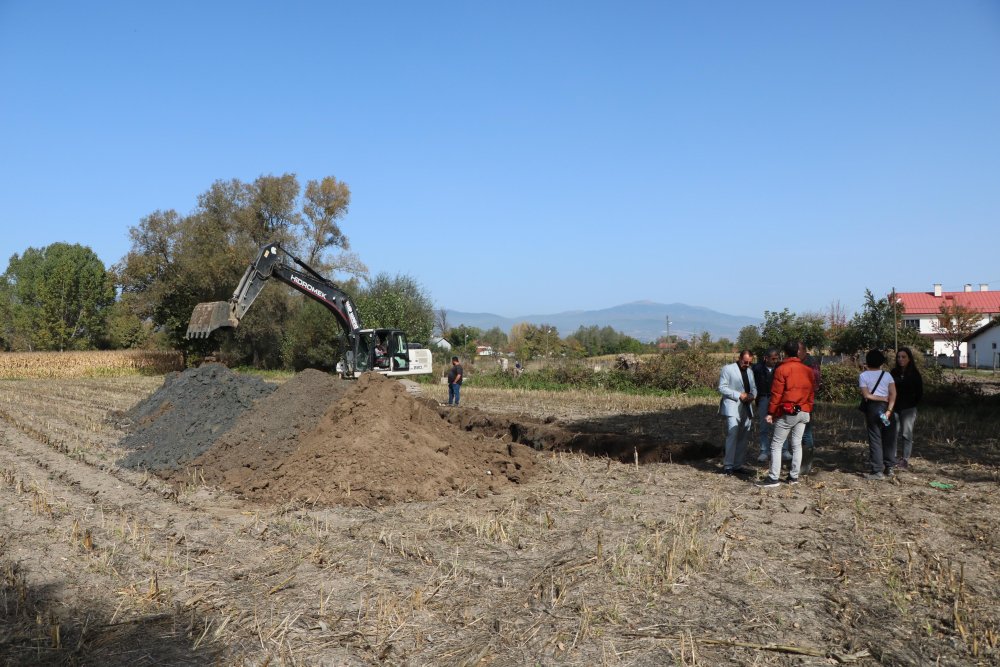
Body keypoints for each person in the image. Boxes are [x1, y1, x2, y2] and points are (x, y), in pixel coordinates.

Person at [756, 340, 816, 488]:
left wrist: (771, 412)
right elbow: (811, 393)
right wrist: (807, 408)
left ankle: (773, 478)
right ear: (798, 351)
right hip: (804, 410)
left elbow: (776, 394)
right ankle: (794, 477)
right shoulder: (807, 370)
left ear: (784, 352)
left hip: (790, 410)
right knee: (796, 444)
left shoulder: (782, 369)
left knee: (776, 444)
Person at [859, 349, 897, 480]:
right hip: (886, 411)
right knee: (889, 438)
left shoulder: (863, 376)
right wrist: (889, 410)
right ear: (882, 362)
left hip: (873, 410)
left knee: (875, 439)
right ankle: (890, 467)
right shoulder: (887, 376)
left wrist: (879, 398)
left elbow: (866, 395)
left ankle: (877, 471)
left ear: (867, 361)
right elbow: (893, 394)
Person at [717, 350, 757, 475]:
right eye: (745, 362)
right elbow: (722, 387)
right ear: (739, 358)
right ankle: (728, 466)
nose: (748, 364)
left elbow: (754, 387)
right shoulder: (727, 369)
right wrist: (739, 395)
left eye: (750, 362)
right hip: (732, 406)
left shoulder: (750, 372)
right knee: (732, 434)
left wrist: (752, 395)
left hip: (746, 406)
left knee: (744, 437)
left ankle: (738, 465)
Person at [890, 347, 923, 469]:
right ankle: (891, 458)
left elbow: (920, 392)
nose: (900, 359)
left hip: (908, 409)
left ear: (909, 358)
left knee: (906, 434)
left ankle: (904, 459)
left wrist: (912, 403)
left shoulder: (914, 374)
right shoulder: (893, 372)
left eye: (903, 357)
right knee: (893, 433)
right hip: (894, 408)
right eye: (898, 357)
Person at [751, 348, 780, 463]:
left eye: (776, 358)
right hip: (763, 398)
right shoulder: (757, 369)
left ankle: (784, 450)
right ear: (766, 358)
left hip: (776, 399)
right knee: (764, 426)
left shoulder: (779, 368)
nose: (775, 361)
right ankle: (764, 451)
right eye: (773, 359)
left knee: (779, 425)